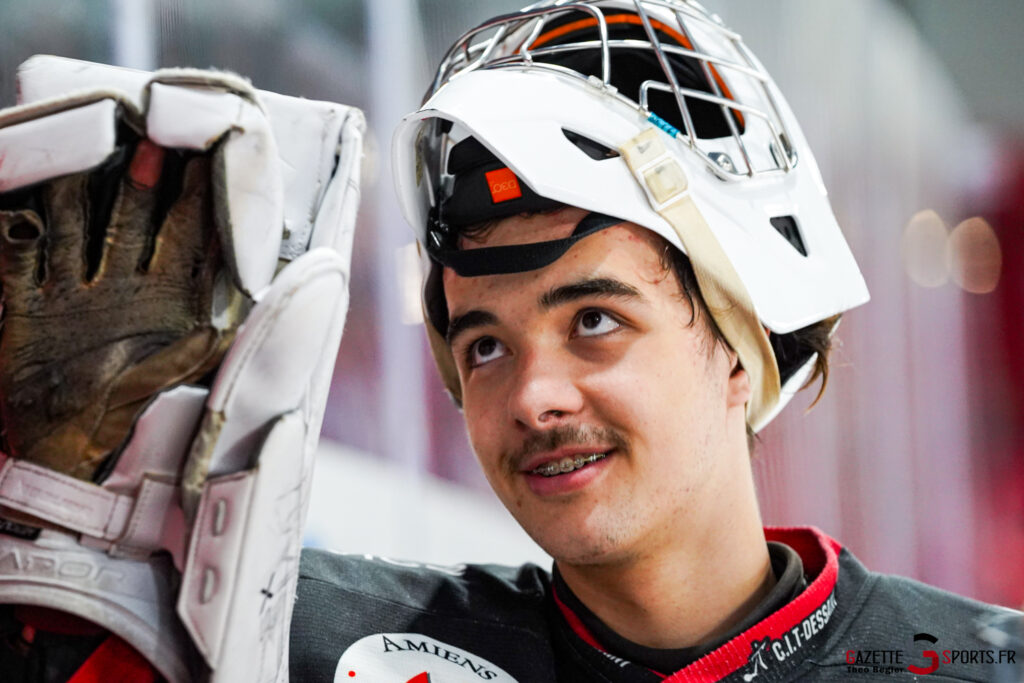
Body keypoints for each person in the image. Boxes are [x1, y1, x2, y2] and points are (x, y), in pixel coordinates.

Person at [288, 1, 1022, 681]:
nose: (533, 397)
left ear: (748, 334)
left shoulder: (985, 664)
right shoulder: (336, 644)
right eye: (485, 347)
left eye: (594, 321)